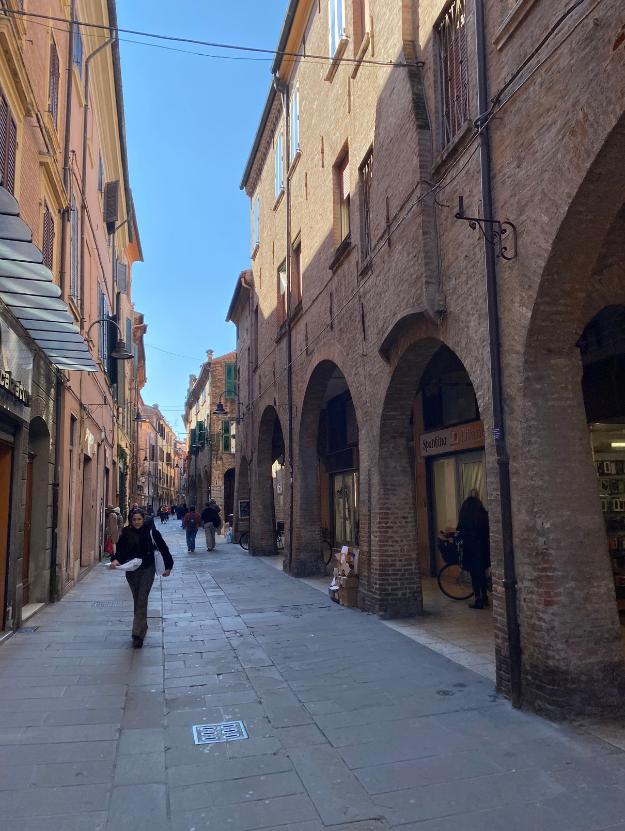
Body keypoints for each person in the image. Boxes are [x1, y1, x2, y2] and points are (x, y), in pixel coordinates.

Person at [111, 509, 173, 648]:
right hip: (131, 571)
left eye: (139, 519)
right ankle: (141, 629)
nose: (136, 522)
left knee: (141, 600)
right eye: (134, 520)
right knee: (137, 599)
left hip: (147, 569)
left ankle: (137, 635)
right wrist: (115, 560)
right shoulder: (126, 532)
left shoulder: (151, 532)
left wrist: (168, 566)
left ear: (144, 519)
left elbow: (164, 549)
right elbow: (120, 550)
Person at [455, 491, 491, 610]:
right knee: (482, 574)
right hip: (484, 549)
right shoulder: (484, 516)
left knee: (475, 575)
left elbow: (459, 534)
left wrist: (454, 536)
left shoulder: (466, 518)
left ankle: (478, 598)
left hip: (471, 550)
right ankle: (485, 597)